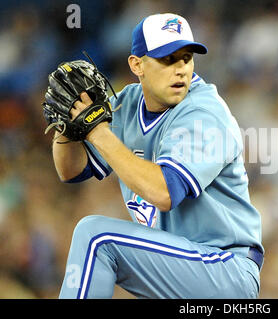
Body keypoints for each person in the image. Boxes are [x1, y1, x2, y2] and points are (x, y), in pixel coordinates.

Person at [53, 13, 264, 299]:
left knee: (96, 237)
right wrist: (65, 125)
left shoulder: (203, 111)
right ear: (136, 64)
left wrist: (96, 132)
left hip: (225, 270)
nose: (180, 69)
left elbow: (164, 192)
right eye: (167, 59)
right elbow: (71, 171)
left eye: (186, 58)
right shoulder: (126, 104)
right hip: (178, 266)